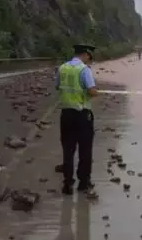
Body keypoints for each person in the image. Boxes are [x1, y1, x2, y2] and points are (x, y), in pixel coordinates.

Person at [54, 43, 99, 196]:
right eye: (89, 57)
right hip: (82, 115)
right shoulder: (84, 70)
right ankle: (83, 183)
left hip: (66, 115)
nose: (89, 60)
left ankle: (67, 184)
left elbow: (57, 86)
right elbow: (92, 91)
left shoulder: (62, 68)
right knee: (85, 150)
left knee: (68, 150)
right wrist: (95, 92)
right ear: (85, 54)